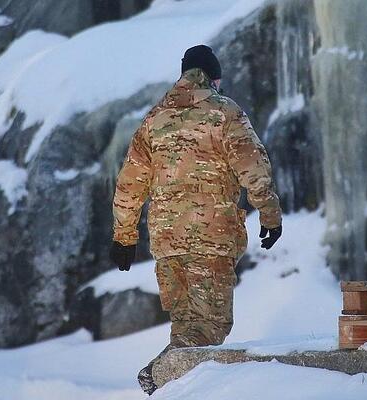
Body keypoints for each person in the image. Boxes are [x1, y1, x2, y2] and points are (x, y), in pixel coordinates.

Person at [109, 44, 283, 394]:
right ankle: (156, 376)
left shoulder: (154, 120)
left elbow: (129, 183)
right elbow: (253, 166)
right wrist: (269, 213)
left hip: (167, 246)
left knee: (187, 326)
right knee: (209, 329)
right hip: (211, 239)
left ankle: (174, 389)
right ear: (214, 78)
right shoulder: (224, 113)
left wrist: (124, 238)